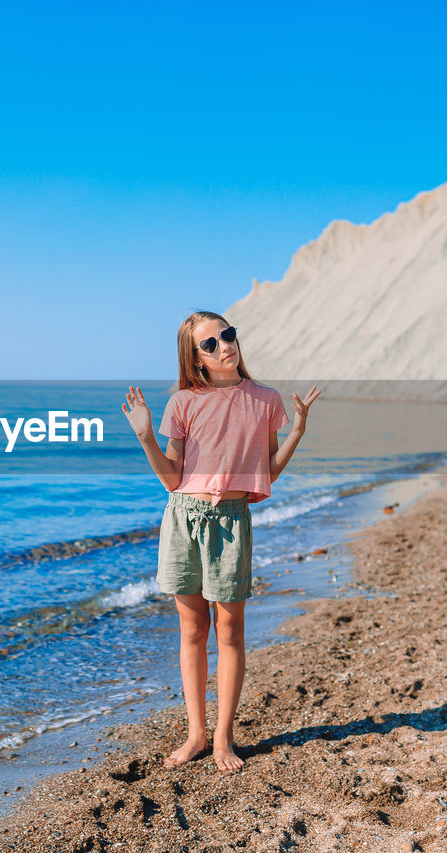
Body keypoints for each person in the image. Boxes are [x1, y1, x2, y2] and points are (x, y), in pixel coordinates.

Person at [122, 310, 320, 772]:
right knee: (192, 631)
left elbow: (267, 472)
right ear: (195, 359)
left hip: (232, 520)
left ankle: (222, 738)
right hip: (183, 518)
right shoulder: (182, 404)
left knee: (230, 632)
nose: (224, 346)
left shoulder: (265, 399)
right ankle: (195, 734)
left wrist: (297, 431)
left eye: (226, 336)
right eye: (209, 344)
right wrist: (147, 436)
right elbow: (172, 480)